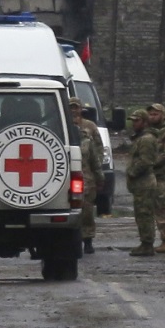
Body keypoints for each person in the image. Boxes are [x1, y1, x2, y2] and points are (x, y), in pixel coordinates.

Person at [124, 108, 163, 257]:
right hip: (140, 183)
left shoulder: (147, 139)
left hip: (144, 182)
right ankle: (145, 242)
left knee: (145, 213)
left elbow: (145, 161)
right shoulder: (140, 138)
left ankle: (147, 244)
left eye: (137, 121)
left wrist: (132, 172)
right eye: (133, 121)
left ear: (145, 122)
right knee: (141, 213)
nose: (134, 124)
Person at [68, 99, 105, 254]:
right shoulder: (62, 124)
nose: (73, 111)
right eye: (70, 108)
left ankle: (88, 239)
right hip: (67, 174)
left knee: (87, 211)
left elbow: (98, 148)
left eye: (76, 108)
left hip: (86, 175)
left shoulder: (90, 127)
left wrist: (99, 174)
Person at [144, 102, 165, 253]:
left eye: (155, 114)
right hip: (146, 177)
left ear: (163, 115)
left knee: (162, 208)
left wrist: (149, 163)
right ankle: (147, 240)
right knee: (145, 209)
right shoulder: (147, 132)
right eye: (150, 114)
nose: (152, 117)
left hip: (160, 177)